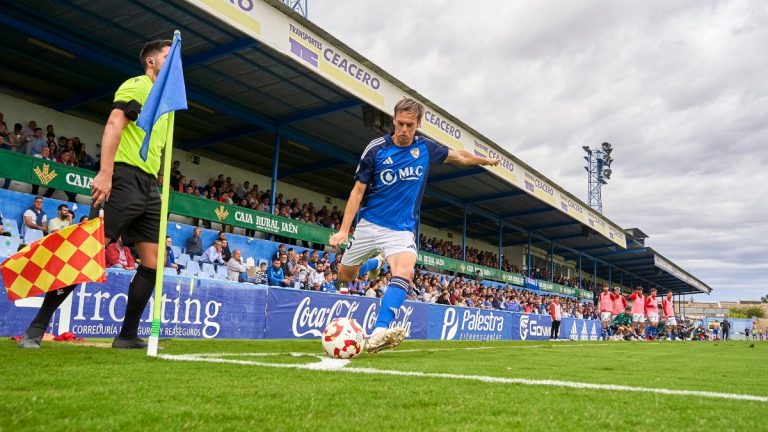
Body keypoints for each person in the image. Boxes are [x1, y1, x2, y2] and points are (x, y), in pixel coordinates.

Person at [18, 39, 174, 349]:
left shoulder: (168, 105)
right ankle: (36, 328)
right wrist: (105, 172)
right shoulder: (138, 85)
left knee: (153, 264)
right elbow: (115, 123)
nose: (174, 63)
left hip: (148, 187)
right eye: (168, 57)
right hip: (122, 177)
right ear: (152, 63)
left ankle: (127, 335)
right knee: (86, 254)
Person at [328, 98, 499, 353]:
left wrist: (482, 161)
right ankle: (375, 263)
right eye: (400, 123)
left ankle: (379, 331)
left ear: (418, 124)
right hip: (370, 224)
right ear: (393, 120)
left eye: (410, 125)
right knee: (345, 276)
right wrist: (344, 230)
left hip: (401, 229)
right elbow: (357, 191)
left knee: (406, 272)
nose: (404, 129)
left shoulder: (426, 148)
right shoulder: (375, 149)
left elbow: (459, 156)